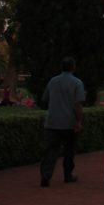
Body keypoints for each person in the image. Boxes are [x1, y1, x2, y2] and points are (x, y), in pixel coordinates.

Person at [40, 56, 85, 187]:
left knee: (50, 151)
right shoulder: (77, 83)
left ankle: (45, 175)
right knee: (69, 150)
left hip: (52, 121)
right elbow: (78, 105)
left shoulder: (53, 81)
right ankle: (67, 174)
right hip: (68, 123)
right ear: (73, 67)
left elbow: (45, 99)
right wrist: (78, 121)